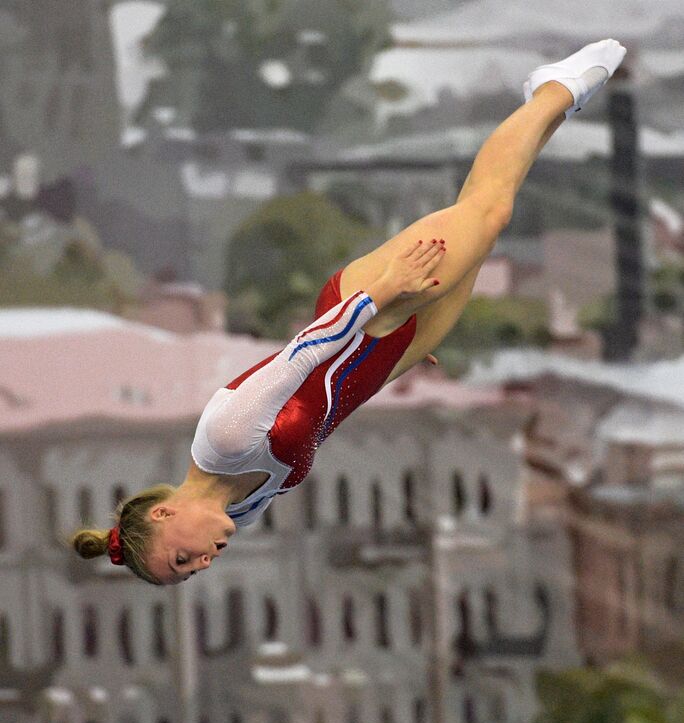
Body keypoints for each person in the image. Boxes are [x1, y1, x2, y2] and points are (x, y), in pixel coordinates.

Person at [70, 39, 626, 585]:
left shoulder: (226, 439)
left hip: (363, 312)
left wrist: (386, 288)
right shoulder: (245, 508)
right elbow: (329, 410)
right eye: (190, 573)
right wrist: (396, 365)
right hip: (386, 354)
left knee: (488, 212)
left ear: (164, 513)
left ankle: (557, 89)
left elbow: (305, 351)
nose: (203, 563)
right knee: (487, 211)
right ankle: (554, 99)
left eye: (181, 559)